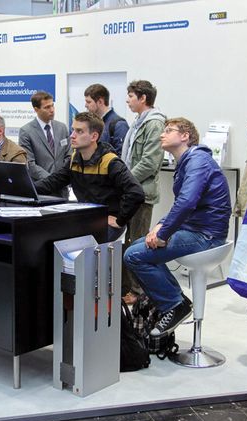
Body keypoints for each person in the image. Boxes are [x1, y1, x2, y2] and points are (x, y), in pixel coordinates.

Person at [123, 117, 230, 336]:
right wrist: (161, 226)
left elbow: (187, 202)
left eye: (169, 130)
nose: (162, 134)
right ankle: (175, 301)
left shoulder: (197, 160)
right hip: (196, 230)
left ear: (185, 136)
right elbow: (183, 203)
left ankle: (175, 304)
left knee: (134, 255)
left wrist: (163, 233)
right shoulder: (187, 162)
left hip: (206, 236)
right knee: (137, 246)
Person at [35, 112, 144, 242]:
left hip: (106, 222)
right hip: (86, 219)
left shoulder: (110, 162)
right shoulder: (74, 160)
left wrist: (120, 220)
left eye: (79, 131)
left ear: (94, 136)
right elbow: (52, 182)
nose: (72, 136)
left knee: (78, 245)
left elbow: (136, 193)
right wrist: (24, 189)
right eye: (73, 130)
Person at [121, 80, 166, 305]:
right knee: (128, 240)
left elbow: (149, 162)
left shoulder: (155, 124)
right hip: (132, 190)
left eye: (130, 96)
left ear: (143, 98)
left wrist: (125, 181)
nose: (127, 100)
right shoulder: (139, 122)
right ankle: (130, 287)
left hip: (141, 192)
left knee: (138, 241)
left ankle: (139, 291)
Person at [19, 91, 71, 183]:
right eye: (47, 107)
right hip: (42, 186)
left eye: (52, 105)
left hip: (62, 186)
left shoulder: (62, 127)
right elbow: (30, 164)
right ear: (36, 109)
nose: (52, 110)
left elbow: (69, 156)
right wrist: (52, 180)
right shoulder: (26, 131)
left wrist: (61, 177)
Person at [83, 83, 129, 157]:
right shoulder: (93, 123)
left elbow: (122, 158)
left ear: (100, 102)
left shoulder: (119, 125)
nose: (85, 105)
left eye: (88, 102)